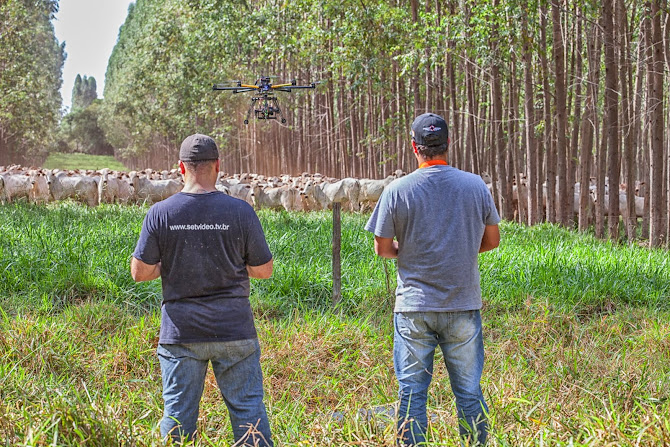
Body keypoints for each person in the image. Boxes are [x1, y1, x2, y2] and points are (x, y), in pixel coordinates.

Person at [365, 113, 501, 446]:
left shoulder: (397, 191)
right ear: (448, 143)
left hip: (413, 309)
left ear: (414, 147)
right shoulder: (474, 186)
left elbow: (382, 248)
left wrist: (407, 253)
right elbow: (493, 240)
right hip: (462, 305)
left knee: (412, 394)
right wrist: (462, 250)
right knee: (469, 391)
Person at [130, 134, 274, 446]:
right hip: (234, 329)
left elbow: (140, 272)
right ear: (218, 167)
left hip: (182, 334)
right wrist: (234, 263)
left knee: (178, 417)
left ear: (181, 168)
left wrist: (168, 264)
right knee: (249, 412)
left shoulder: (161, 212)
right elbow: (264, 270)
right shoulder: (241, 211)